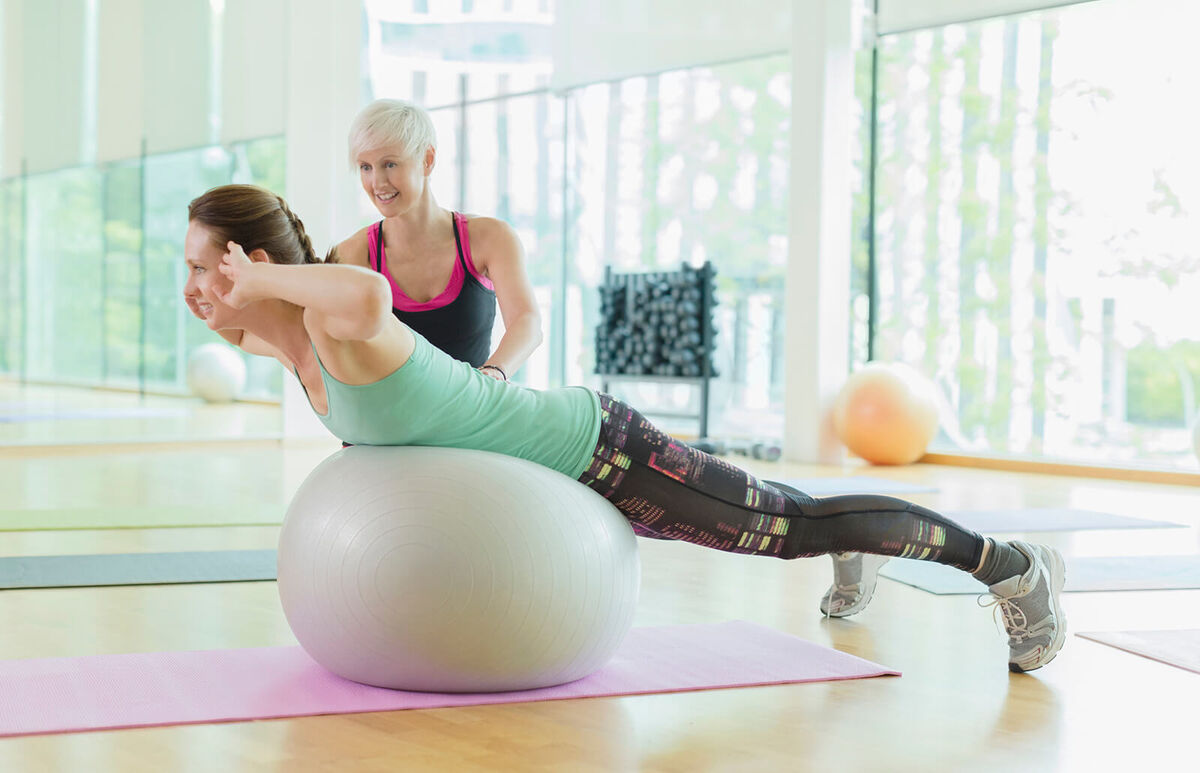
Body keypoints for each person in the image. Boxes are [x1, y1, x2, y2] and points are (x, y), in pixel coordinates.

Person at [183, 184, 1067, 674]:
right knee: (796, 515)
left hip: (596, 448)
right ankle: (856, 541)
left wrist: (264, 288)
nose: (193, 291)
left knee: (787, 528)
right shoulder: (293, 352)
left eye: (203, 269)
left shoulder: (339, 322)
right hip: (545, 482)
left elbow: (369, 293)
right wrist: (255, 299)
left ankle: (1012, 566)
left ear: (255, 265)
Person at [331, 98, 542, 382]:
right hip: (395, 420)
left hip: (473, 412)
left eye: (389, 164)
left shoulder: (490, 238)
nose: (377, 182)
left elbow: (526, 321)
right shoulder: (353, 255)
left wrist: (495, 373)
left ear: (427, 160)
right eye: (365, 167)